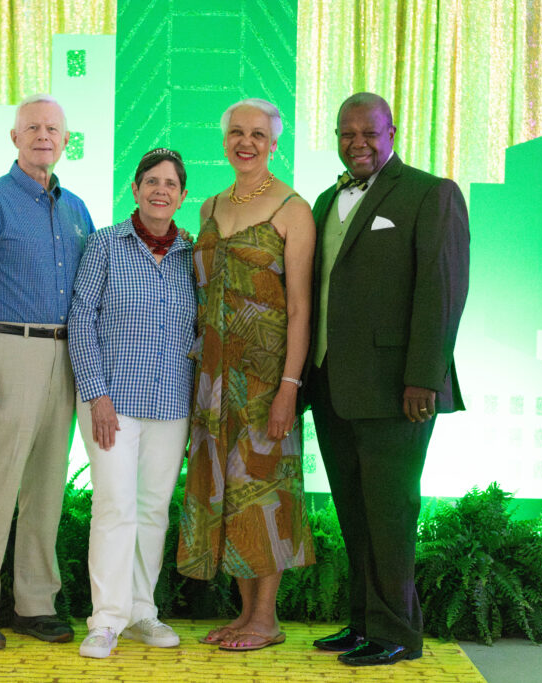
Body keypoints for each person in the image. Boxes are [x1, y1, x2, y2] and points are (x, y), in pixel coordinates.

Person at [306, 92, 470, 666]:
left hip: (398, 389)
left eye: (369, 133)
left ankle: (398, 633)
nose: (358, 143)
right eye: (347, 134)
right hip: (332, 386)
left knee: (391, 514)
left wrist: (423, 377)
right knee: (353, 513)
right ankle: (363, 624)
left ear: (392, 132)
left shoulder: (431, 193)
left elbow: (442, 291)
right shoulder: (328, 200)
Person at [0, 93, 95, 651]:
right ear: (14, 137)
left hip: (67, 356)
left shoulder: (78, 209)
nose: (43, 136)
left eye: (53, 128)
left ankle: (36, 604)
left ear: (65, 140)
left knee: (46, 489)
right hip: (9, 352)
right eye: (31, 127)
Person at [177, 98, 316, 652]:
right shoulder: (208, 206)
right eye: (237, 132)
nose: (246, 142)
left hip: (265, 382)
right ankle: (244, 614)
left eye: (258, 134)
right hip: (213, 380)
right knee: (227, 493)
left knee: (266, 494)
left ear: (274, 143)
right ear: (225, 139)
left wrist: (290, 387)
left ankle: (267, 617)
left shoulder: (292, 208)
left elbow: (302, 307)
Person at [67, 148, 196, 659]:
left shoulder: (192, 253)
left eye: (170, 184)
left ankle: (143, 610)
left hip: (171, 404)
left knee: (153, 509)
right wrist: (95, 393)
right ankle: (105, 620)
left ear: (183, 196)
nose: (160, 190)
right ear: (135, 189)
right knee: (115, 505)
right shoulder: (103, 246)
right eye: (151, 182)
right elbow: (81, 321)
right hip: (112, 401)